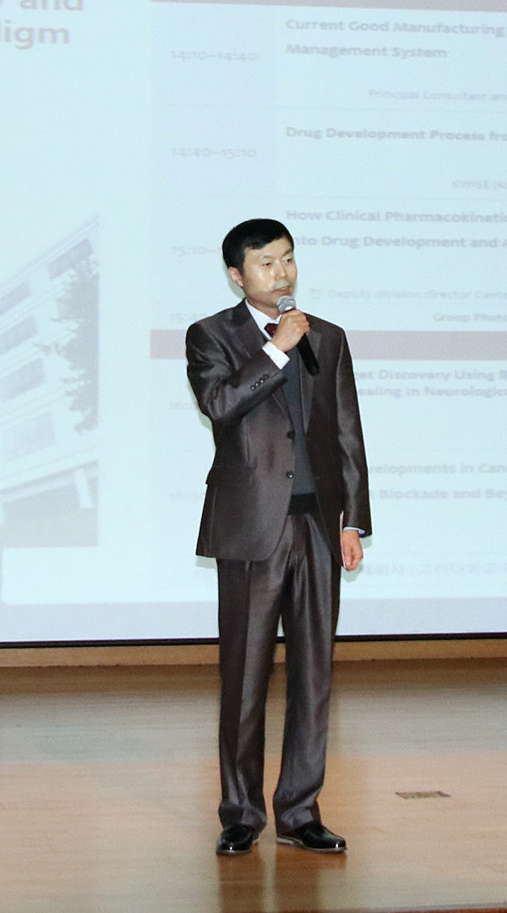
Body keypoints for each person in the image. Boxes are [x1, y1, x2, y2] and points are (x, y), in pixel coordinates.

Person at [186, 218, 370, 857]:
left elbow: (346, 431)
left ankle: (300, 810)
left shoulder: (329, 337)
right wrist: (275, 350)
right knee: (244, 675)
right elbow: (219, 404)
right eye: (266, 263)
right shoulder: (211, 335)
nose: (282, 272)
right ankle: (241, 813)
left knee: (314, 675)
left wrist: (353, 520)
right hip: (251, 527)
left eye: (288, 259)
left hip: (318, 524)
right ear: (237, 276)